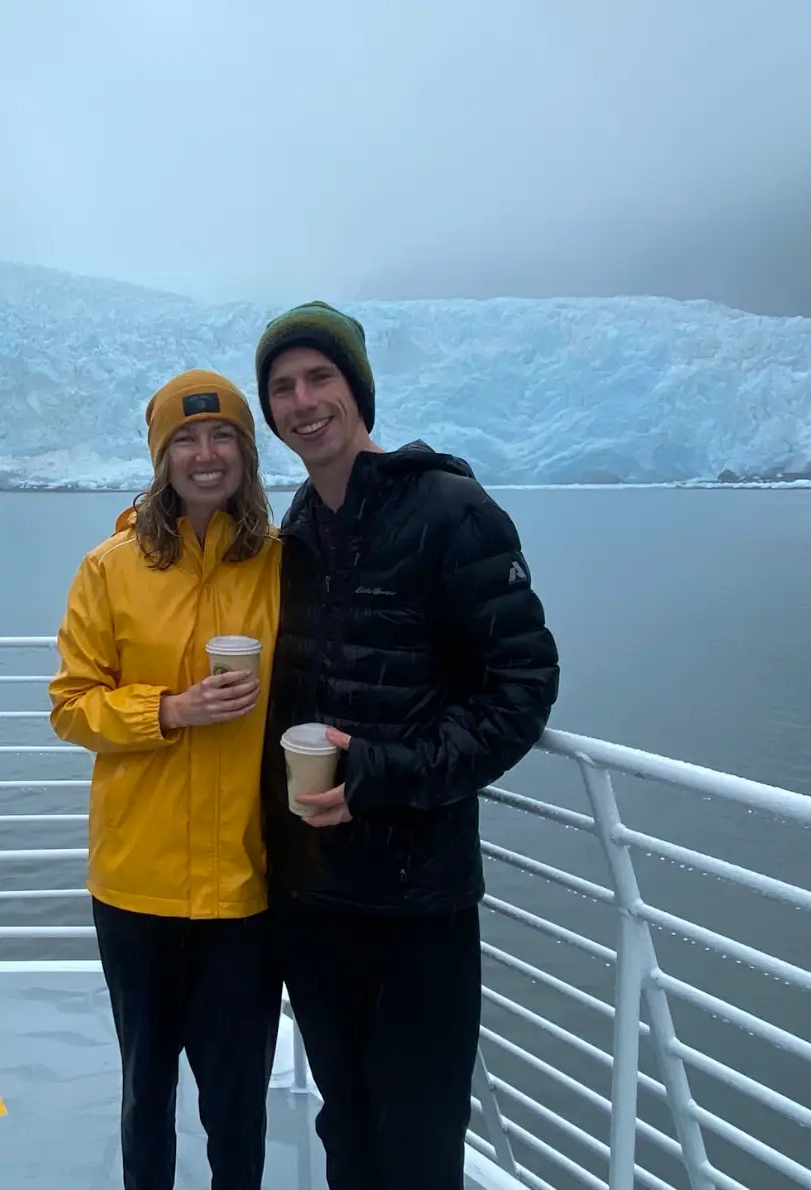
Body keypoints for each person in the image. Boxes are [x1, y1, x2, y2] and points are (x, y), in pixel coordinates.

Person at [253, 301, 561, 1190]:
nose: (303, 401)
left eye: (320, 379)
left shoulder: (450, 511)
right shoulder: (300, 531)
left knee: (420, 1139)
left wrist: (383, 774)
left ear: (358, 391)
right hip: (315, 893)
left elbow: (522, 688)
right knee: (346, 1123)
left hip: (416, 897)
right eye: (282, 387)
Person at [49, 368, 284, 1190]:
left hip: (245, 885)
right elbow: (72, 707)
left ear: (248, 454)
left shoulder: (282, 566)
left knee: (238, 1101)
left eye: (223, 436)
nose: (205, 454)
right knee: (145, 1091)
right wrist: (171, 711)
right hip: (136, 885)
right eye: (185, 439)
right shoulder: (109, 570)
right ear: (160, 456)